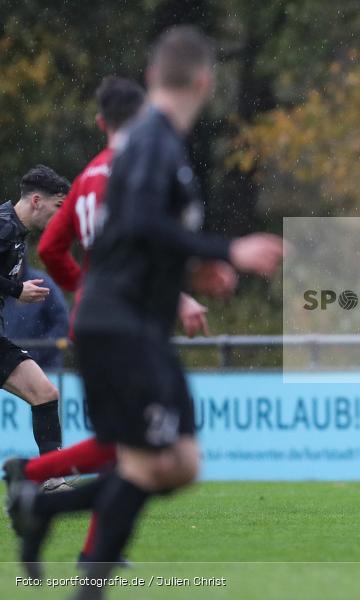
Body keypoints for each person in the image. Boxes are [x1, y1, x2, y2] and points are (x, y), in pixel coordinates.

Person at [5, 26, 284, 596]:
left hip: (125, 321)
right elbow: (138, 226)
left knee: (170, 462)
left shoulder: (136, 151)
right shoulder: (155, 143)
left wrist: (184, 270)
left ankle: (42, 508)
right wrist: (225, 248)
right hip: (123, 325)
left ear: (154, 76)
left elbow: (113, 240)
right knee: (156, 461)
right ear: (205, 81)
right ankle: (56, 529)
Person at [3, 76, 209, 568]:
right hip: (124, 327)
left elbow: (61, 250)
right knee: (146, 452)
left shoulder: (93, 176)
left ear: (101, 122)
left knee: (71, 410)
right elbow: (144, 243)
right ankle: (44, 495)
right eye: (52, 205)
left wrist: (84, 293)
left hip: (104, 323)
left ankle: (44, 494)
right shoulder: (124, 172)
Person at [0, 166, 68, 470]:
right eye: (58, 207)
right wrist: (17, 290)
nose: (60, 216)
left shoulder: (16, 231)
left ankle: (53, 480)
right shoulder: (3, 226)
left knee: (45, 393)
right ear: (37, 201)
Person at [2, 263, 69, 370]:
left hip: (46, 368)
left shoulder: (42, 283)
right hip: (8, 369)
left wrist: (38, 352)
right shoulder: (3, 290)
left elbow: (62, 323)